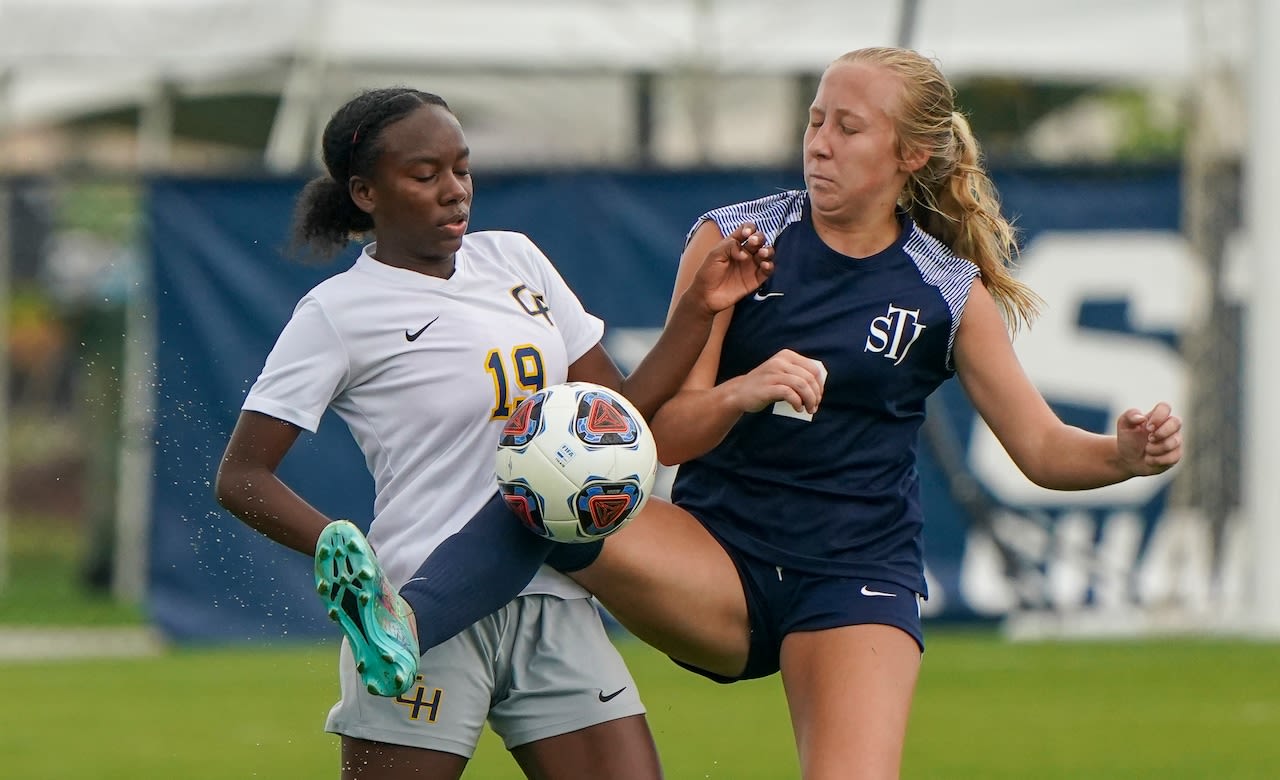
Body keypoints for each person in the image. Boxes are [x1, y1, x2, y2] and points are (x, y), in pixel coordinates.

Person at [307, 47, 1185, 780]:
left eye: (849, 127)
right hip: (717, 565)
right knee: (554, 471)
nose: (821, 143)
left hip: (854, 579)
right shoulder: (739, 237)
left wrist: (1123, 454)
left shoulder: (948, 292)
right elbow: (659, 438)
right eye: (814, 120)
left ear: (910, 157)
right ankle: (406, 623)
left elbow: (1041, 449)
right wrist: (746, 389)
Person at [213, 86, 775, 780]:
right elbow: (241, 478)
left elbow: (623, 410)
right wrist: (333, 542)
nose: (455, 192)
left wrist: (699, 308)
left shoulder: (516, 261)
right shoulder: (338, 312)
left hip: (556, 597)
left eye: (463, 169)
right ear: (365, 192)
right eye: (425, 175)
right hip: (417, 617)